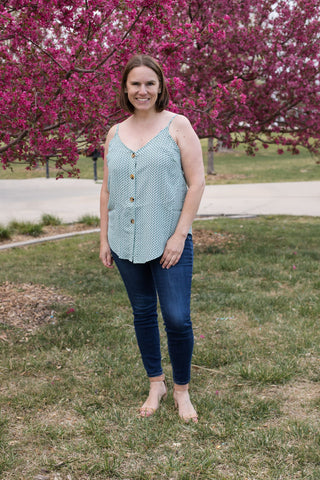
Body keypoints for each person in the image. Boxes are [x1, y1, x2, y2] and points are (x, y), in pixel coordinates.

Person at [99, 54, 205, 422]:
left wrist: (179, 235)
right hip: (124, 240)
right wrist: (103, 239)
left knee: (176, 318)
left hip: (168, 242)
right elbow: (107, 190)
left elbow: (197, 183)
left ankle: (182, 391)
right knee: (143, 313)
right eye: (135, 84)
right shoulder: (114, 132)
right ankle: (156, 383)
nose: (142, 90)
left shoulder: (178, 125)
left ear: (160, 86)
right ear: (125, 89)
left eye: (149, 83)